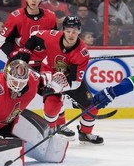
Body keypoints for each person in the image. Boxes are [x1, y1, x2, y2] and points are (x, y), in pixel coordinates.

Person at [22, 16, 103, 144]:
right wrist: (26, 52)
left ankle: (85, 134)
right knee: (52, 105)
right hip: (50, 73)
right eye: (68, 31)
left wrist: (59, 87)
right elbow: (34, 36)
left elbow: (75, 82)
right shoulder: (52, 37)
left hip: (69, 79)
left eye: (75, 31)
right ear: (63, 30)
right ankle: (48, 134)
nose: (71, 35)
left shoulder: (82, 53)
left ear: (79, 31)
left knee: (91, 107)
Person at [0, 0, 57, 71]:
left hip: (43, 65)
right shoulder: (16, 17)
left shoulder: (50, 16)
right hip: (20, 65)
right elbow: (2, 41)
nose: (33, 0)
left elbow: (55, 41)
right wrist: (14, 55)